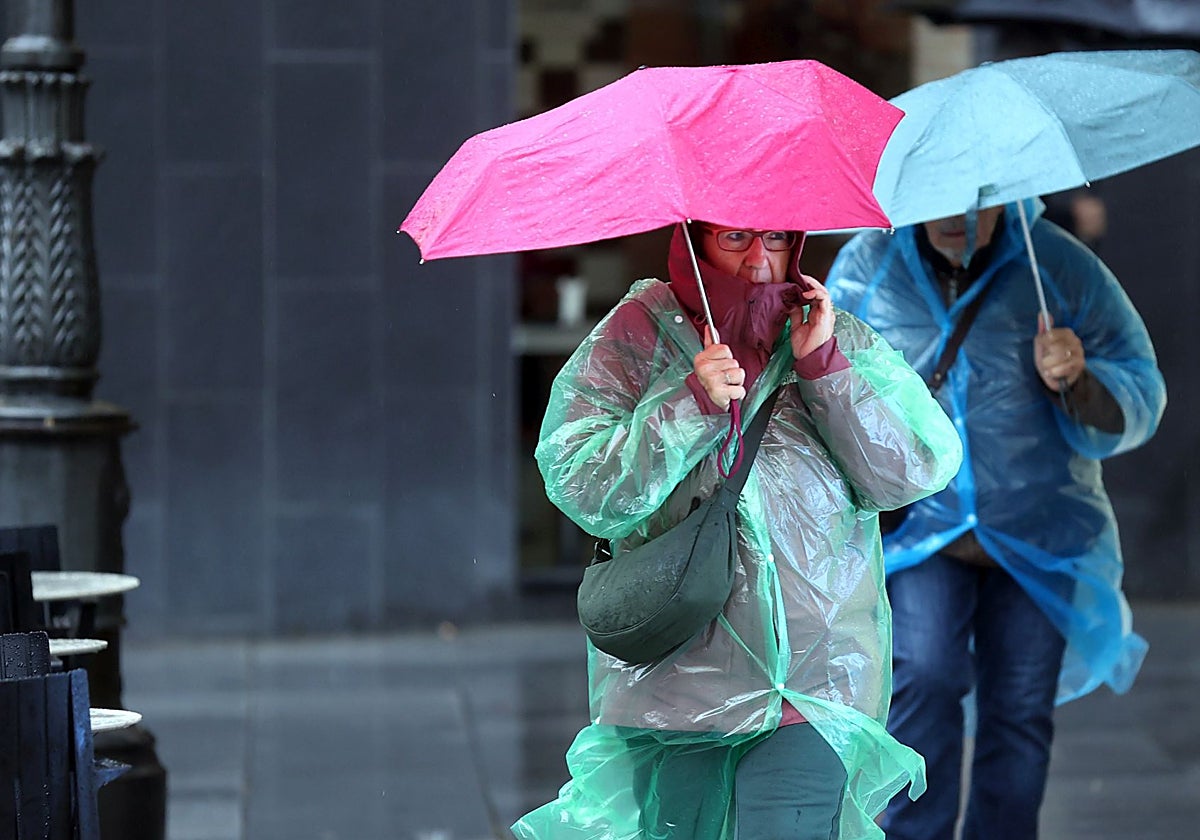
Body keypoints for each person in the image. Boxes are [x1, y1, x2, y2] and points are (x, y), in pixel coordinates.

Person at [512, 222, 962, 840]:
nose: (758, 260)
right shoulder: (640, 332)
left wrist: (824, 368)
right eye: (735, 239)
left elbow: (912, 469)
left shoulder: (829, 333)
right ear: (696, 242)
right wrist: (687, 401)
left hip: (810, 684)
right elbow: (579, 479)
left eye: (776, 239)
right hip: (674, 685)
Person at [825, 199, 1166, 840]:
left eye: (978, 203)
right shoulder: (867, 268)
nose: (960, 217)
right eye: (942, 201)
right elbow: (822, 381)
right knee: (923, 676)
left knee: (1020, 706)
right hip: (923, 533)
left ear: (1006, 195)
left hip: (1041, 533)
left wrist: (1079, 377)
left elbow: (1140, 382)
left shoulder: (1056, 265)